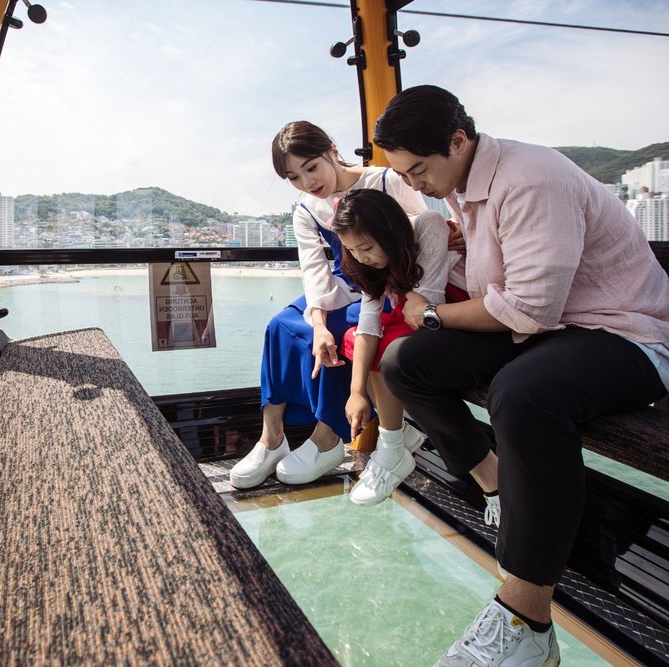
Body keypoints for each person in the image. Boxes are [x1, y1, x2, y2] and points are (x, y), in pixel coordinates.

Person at [372, 84, 669, 666]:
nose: (415, 185)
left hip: (624, 334)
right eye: (403, 175)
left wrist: (431, 314)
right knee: (405, 362)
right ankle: (499, 484)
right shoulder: (463, 187)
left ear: (459, 140)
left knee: (522, 394)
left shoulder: (531, 178)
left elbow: (528, 310)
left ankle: (527, 619)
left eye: (418, 170)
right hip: (550, 331)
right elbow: (511, 296)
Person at [229, 120, 428, 490]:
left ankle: (328, 436)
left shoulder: (387, 181)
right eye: (294, 177)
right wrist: (318, 323)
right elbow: (314, 270)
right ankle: (272, 437)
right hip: (342, 286)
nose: (307, 182)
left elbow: (424, 235)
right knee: (280, 326)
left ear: (332, 151)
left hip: (388, 286)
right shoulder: (307, 210)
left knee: (338, 332)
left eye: (311, 168)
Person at [329, 189, 462, 506]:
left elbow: (427, 299)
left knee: (388, 343)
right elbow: (367, 323)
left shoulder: (427, 224)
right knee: (353, 338)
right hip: (414, 310)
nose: (361, 258)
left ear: (389, 231)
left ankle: (391, 446)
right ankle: (398, 433)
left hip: (448, 306)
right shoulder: (373, 265)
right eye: (352, 250)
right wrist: (356, 393)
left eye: (366, 247)